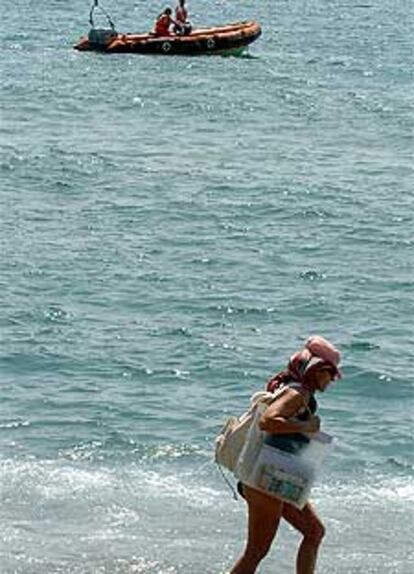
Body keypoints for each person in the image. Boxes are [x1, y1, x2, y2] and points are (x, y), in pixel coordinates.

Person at [230, 335, 342, 574]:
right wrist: (306, 427)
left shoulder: (297, 391)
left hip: (277, 474)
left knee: (314, 532)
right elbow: (268, 421)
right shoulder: (297, 394)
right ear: (316, 370)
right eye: (330, 374)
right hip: (265, 479)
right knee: (256, 551)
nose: (332, 380)